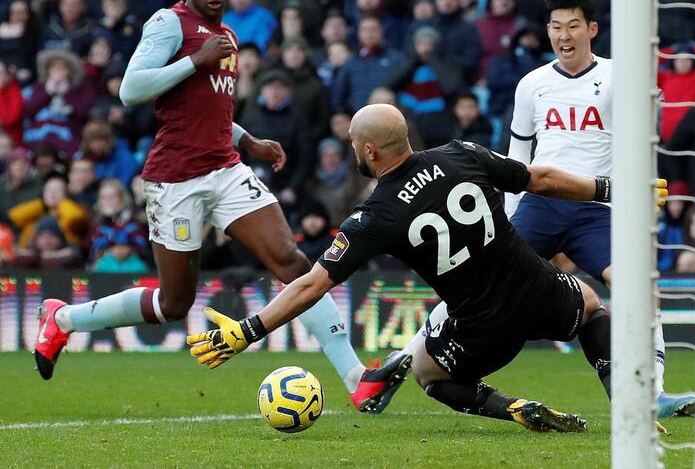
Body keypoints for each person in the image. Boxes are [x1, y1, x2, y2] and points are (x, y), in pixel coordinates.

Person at [32, 0, 409, 415]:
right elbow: (130, 90)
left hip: (226, 170)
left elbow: (206, 110)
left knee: (294, 262)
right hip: (175, 181)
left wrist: (249, 141)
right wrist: (196, 59)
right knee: (174, 302)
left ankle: (358, 380)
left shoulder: (225, 35)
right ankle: (62, 318)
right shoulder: (169, 24)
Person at [187, 103, 640, 432]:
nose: (353, 153)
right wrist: (608, 188)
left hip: (483, 329)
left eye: (354, 147)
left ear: (371, 151)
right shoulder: (463, 153)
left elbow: (312, 284)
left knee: (426, 372)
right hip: (536, 288)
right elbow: (540, 179)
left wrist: (248, 330)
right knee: (592, 305)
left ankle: (513, 408)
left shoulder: (373, 217)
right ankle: (627, 411)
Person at [503, 0, 695, 420]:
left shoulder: (618, 76)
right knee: (484, 278)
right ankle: (411, 355)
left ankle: (653, 394)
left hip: (597, 208)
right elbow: (518, 156)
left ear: (592, 28)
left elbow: (641, 139)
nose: (564, 35)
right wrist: (508, 219)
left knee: (639, 284)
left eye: (573, 25)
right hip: (541, 201)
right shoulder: (531, 85)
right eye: (556, 26)